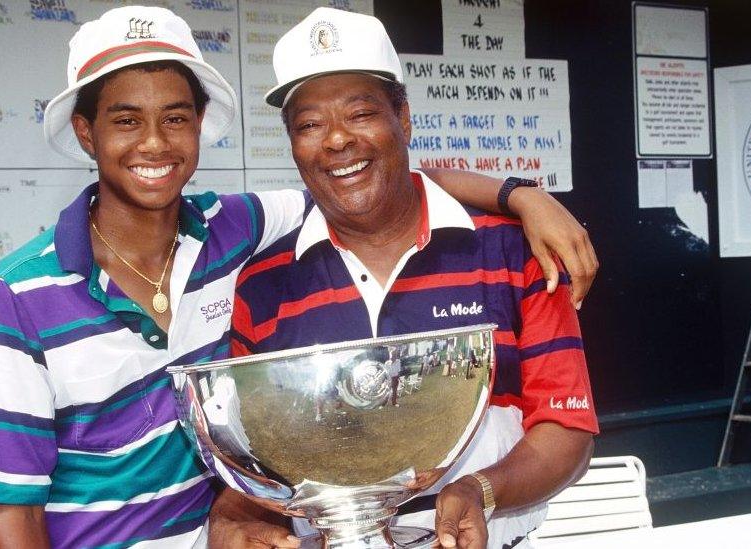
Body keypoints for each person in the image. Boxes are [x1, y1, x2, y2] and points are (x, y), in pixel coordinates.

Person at [0, 6, 597, 549]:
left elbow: (373, 185)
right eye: (126, 120)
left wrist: (520, 196)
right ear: (86, 132)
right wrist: (244, 508)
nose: (155, 142)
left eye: (176, 117)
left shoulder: (233, 231)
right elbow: (9, 509)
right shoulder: (16, 294)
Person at [231, 8, 599, 549]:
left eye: (360, 114)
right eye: (309, 124)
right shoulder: (262, 286)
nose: (335, 140)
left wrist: (482, 491)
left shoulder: (514, 249)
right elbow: (250, 456)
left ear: (402, 119)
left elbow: (567, 427)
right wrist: (236, 518)